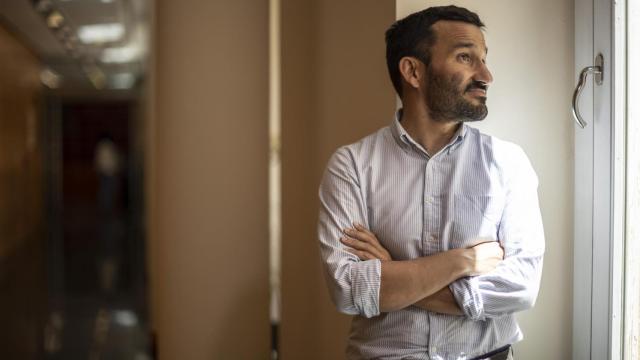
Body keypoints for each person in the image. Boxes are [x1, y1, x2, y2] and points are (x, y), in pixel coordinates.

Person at [317, 5, 545, 360]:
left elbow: (520, 288)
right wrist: (462, 261)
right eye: (465, 57)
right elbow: (347, 290)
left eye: (483, 58)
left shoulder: (508, 163)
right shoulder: (352, 166)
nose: (486, 74)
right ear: (413, 71)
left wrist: (392, 273)